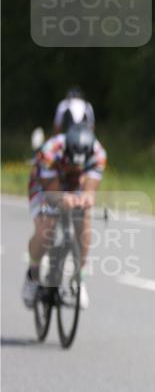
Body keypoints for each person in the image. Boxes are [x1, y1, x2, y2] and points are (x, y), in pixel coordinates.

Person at [21, 124, 108, 310]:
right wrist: (62, 199)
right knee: (47, 227)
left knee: (84, 219)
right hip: (44, 184)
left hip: (74, 182)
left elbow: (89, 190)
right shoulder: (50, 151)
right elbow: (52, 191)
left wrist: (84, 198)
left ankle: (79, 279)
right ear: (66, 151)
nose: (76, 164)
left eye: (81, 163)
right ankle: (32, 275)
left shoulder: (98, 154)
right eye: (72, 161)